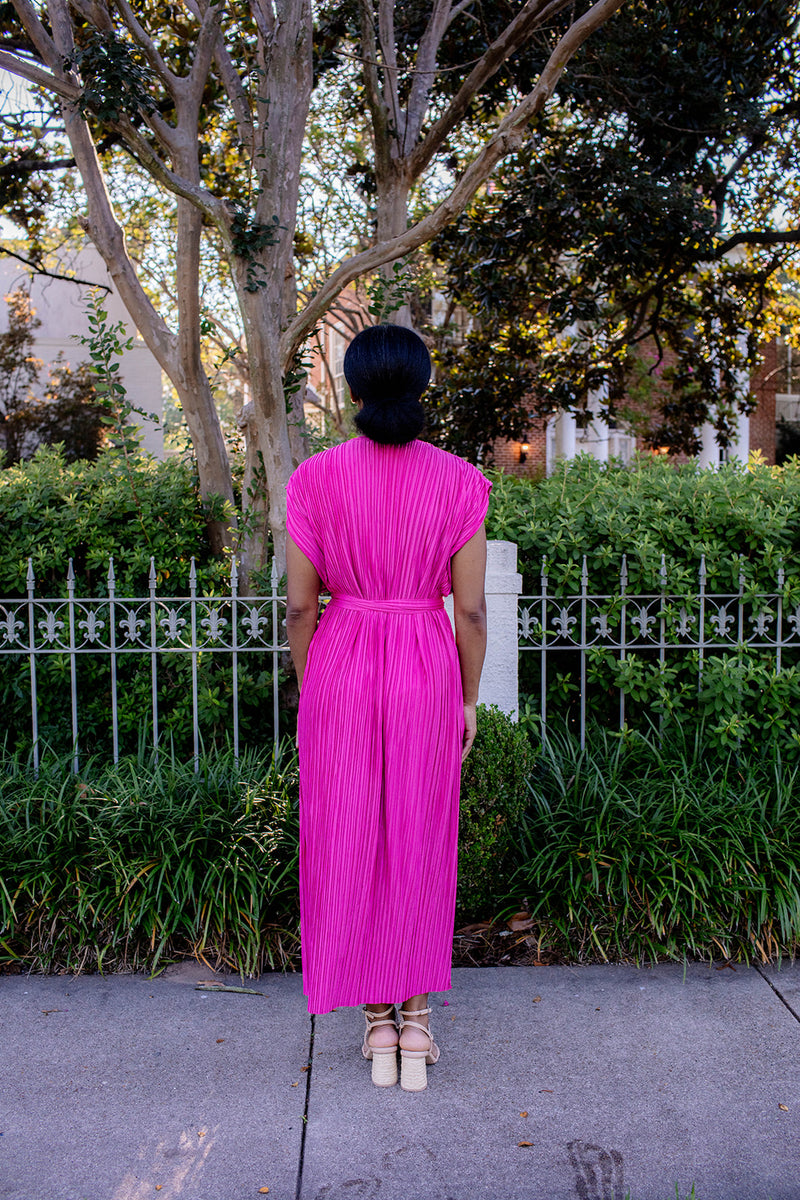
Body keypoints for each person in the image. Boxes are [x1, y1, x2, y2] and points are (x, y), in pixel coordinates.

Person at [285, 323, 490, 1092]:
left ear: (355, 387)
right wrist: (466, 698)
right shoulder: (461, 482)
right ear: (423, 385)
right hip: (424, 668)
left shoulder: (314, 479)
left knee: (349, 837)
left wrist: (317, 689)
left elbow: (301, 610)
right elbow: (469, 613)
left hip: (341, 659)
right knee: (418, 832)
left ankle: (374, 1024)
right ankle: (417, 1027)